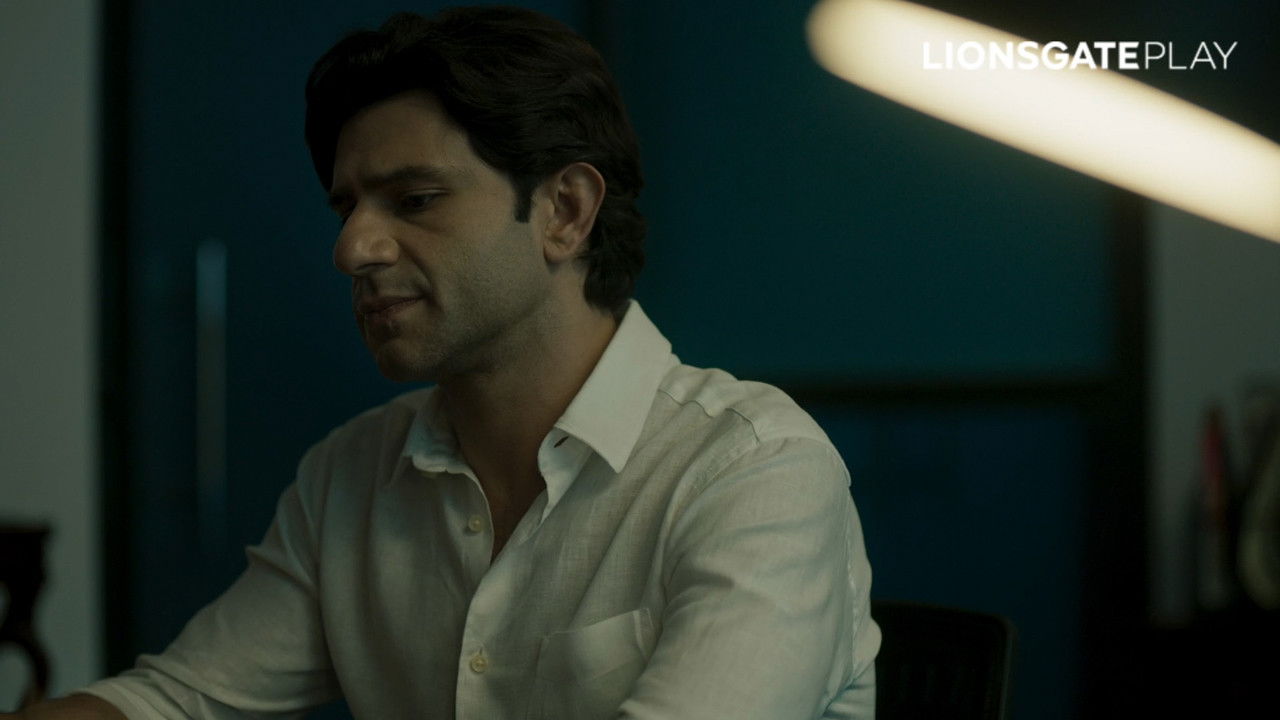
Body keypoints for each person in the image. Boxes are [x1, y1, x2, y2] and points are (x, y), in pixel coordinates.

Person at [11, 6, 878, 719]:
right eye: (346, 208)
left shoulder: (752, 470)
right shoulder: (352, 476)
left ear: (565, 212)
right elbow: (174, 701)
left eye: (415, 198)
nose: (352, 248)